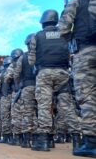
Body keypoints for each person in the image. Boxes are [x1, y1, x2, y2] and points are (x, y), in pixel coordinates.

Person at [28, 9, 81, 152]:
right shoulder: (65, 34)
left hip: (44, 74)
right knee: (67, 106)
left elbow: (31, 60)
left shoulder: (37, 36)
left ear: (42, 22)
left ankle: (44, 142)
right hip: (63, 73)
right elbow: (72, 52)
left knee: (44, 106)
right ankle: (77, 140)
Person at [59, 0, 96, 157]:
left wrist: (71, 39)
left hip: (86, 51)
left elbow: (63, 29)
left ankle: (91, 143)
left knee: (88, 97)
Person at [14, 33, 37, 148]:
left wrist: (19, 86)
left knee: (27, 113)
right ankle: (45, 140)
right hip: (42, 86)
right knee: (42, 112)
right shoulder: (43, 53)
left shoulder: (23, 58)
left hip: (27, 87)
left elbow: (16, 74)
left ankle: (27, 140)